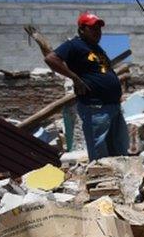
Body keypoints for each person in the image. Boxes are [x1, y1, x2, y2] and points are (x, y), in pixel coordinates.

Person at [43, 11, 128, 160]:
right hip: (95, 108)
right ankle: (101, 181)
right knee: (99, 152)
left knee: (119, 149)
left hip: (113, 106)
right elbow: (51, 58)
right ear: (82, 29)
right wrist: (75, 78)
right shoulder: (74, 45)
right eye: (93, 28)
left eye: (99, 28)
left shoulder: (97, 49)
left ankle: (120, 181)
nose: (97, 32)